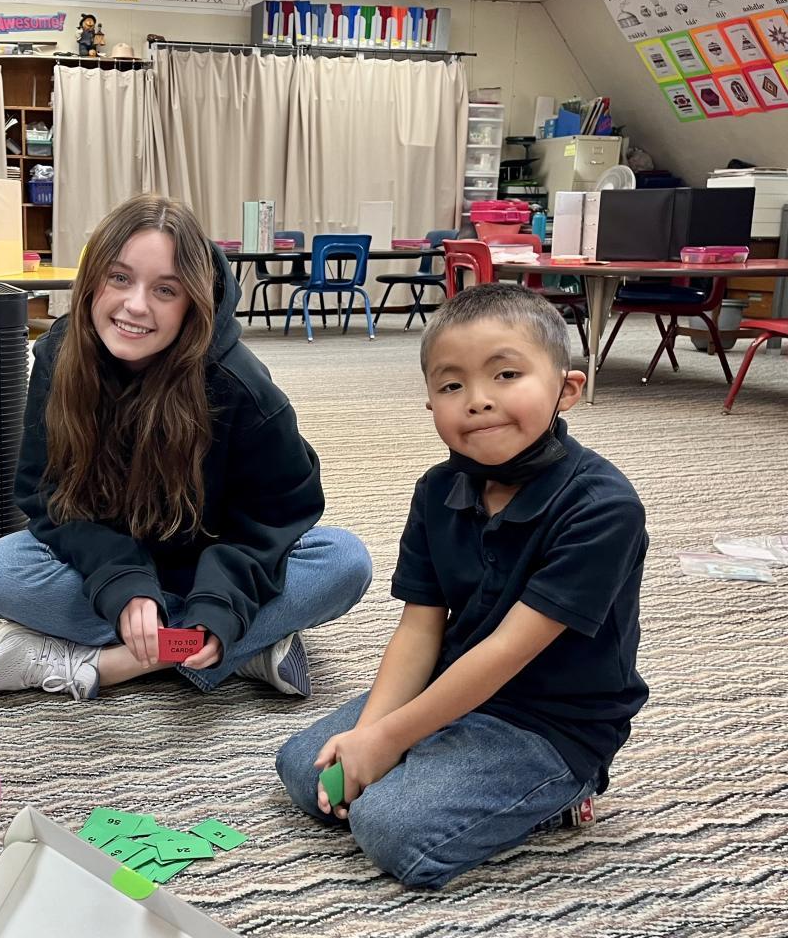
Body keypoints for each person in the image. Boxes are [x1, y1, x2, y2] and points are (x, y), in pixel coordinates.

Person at [276, 283, 649, 888]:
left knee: (392, 828)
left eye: (506, 375)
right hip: (453, 686)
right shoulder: (436, 490)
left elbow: (506, 653)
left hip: (549, 724)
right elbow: (419, 629)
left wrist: (389, 740)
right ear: (430, 403)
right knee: (302, 768)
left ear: (567, 389)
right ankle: (434, 758)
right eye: (452, 386)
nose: (478, 401)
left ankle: (563, 794)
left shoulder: (603, 508)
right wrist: (372, 735)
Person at [0, 194, 371, 700]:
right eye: (119, 278)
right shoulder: (60, 356)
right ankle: (238, 650)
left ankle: (105, 664)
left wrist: (221, 604)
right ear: (92, 280)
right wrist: (122, 583)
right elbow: (44, 494)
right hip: (110, 562)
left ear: (193, 302)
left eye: (165, 289)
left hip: (216, 567)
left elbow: (277, 517)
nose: (136, 305)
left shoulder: (242, 388)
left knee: (344, 561)